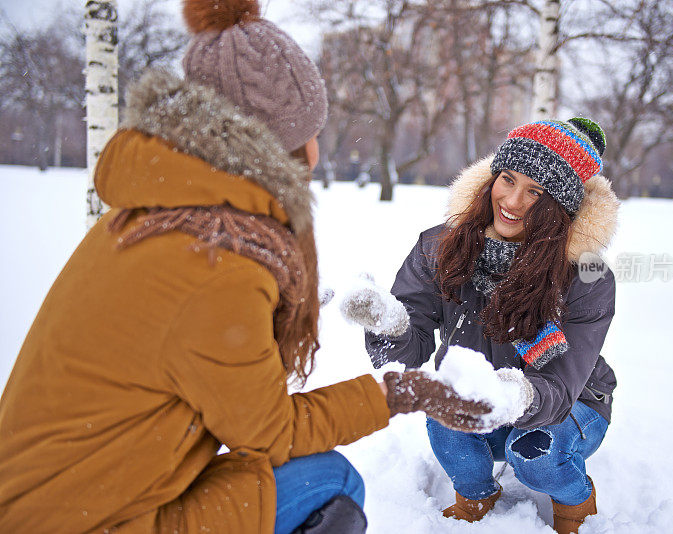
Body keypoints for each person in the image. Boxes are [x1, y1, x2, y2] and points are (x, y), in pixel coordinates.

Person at [0, 1, 489, 532]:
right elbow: (268, 431)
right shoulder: (218, 262)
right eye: (311, 129)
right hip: (92, 520)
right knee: (332, 483)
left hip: (53, 499)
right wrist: (401, 392)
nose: (319, 148)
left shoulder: (150, 219)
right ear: (281, 147)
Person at [357, 119, 620, 533]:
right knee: (445, 413)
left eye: (536, 192)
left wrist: (513, 395)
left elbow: (562, 384)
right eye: (508, 179)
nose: (512, 201)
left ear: (560, 207)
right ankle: (475, 496)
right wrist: (388, 323)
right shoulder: (441, 246)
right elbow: (416, 344)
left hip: (570, 401)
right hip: (482, 390)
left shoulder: (586, 276)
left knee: (534, 453)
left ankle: (575, 504)